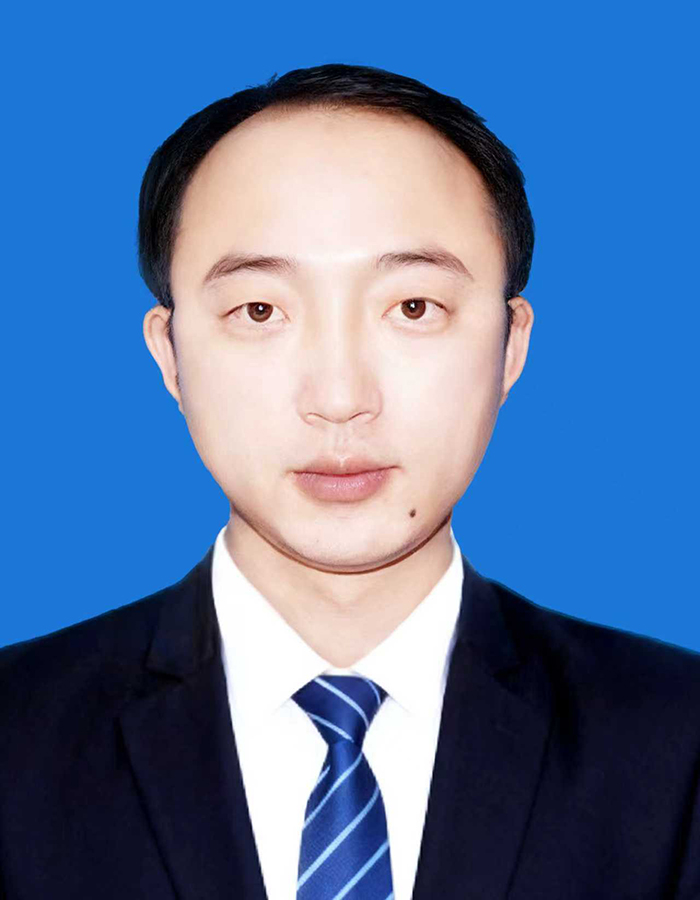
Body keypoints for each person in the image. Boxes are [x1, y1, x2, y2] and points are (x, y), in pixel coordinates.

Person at [0, 62, 698, 900]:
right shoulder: (14, 740)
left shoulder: (679, 743)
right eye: (260, 311)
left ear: (510, 347)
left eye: (413, 308)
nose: (339, 398)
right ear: (170, 354)